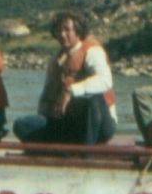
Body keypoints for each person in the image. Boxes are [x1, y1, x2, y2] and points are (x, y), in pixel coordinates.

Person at [13, 12, 117, 146]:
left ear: (78, 31)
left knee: (92, 100)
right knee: (21, 125)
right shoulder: (56, 60)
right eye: (59, 30)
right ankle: (65, 146)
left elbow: (105, 80)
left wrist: (70, 90)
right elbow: (46, 95)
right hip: (68, 122)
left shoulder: (92, 52)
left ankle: (86, 152)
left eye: (67, 30)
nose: (62, 34)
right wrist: (46, 114)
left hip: (99, 123)